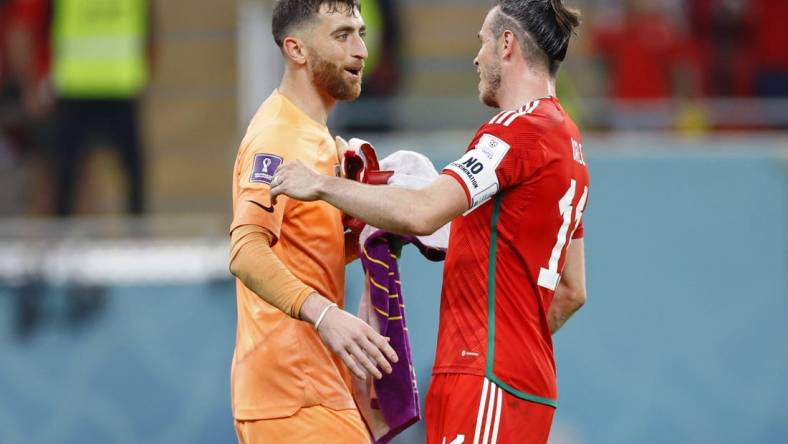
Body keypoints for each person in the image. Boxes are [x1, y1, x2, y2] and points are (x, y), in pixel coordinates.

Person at [270, 1, 588, 443]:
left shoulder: (515, 132)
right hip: (524, 382)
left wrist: (323, 186)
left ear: (507, 45)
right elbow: (572, 291)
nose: (477, 58)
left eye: (483, 43)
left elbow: (422, 212)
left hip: (482, 375)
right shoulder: (569, 143)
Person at [227, 1, 398, 443]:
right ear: (296, 50)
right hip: (293, 389)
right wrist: (326, 315)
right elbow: (246, 251)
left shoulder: (313, 134)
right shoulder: (278, 136)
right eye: (342, 36)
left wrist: (370, 230)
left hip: (309, 386)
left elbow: (302, 249)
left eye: (361, 33)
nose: (360, 49)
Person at [50, 0, 152, 216]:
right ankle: (137, 232)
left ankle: (137, 232)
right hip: (88, 85)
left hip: (97, 85)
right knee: (67, 170)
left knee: (68, 170)